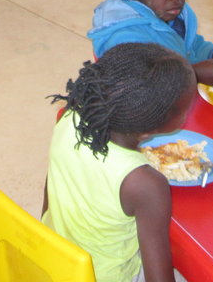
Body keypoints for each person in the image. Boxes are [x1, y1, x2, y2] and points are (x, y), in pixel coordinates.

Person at [43, 42, 196, 282]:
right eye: (186, 109)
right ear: (158, 121)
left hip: (53, 259)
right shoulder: (143, 182)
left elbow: (51, 186)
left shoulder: (69, 117)